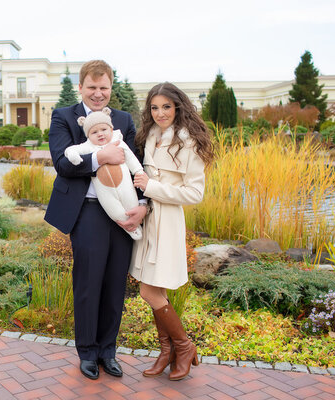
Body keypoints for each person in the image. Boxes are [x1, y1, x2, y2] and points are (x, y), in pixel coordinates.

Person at [44, 60, 147, 380]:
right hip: (86, 210)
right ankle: (87, 352)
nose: (98, 94)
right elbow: (63, 163)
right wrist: (100, 156)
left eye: (104, 88)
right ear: (81, 87)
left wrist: (144, 204)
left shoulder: (124, 120)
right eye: (92, 87)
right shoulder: (63, 117)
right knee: (89, 284)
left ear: (110, 88)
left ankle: (108, 351)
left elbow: (138, 163)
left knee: (116, 282)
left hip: (123, 209)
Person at [130, 82, 214, 381]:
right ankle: (167, 352)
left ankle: (184, 345)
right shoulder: (149, 136)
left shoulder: (188, 142)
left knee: (148, 290)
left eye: (166, 106)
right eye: (154, 107)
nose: (160, 113)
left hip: (168, 221)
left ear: (178, 106)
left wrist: (152, 187)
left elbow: (194, 193)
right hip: (149, 218)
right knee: (156, 289)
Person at [64, 107, 146, 240]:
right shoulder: (88, 146)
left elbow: (131, 158)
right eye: (94, 132)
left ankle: (135, 224)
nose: (100, 134)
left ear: (111, 129)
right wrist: (73, 155)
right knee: (114, 210)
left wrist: (138, 171)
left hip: (125, 187)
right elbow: (71, 149)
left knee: (131, 204)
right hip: (105, 192)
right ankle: (131, 229)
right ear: (88, 136)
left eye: (104, 129)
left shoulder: (118, 142)